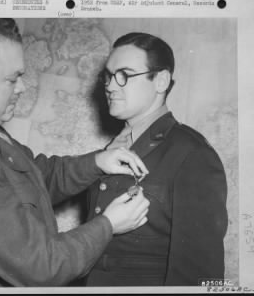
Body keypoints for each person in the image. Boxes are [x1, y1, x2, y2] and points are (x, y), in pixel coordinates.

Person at [0, 19, 151, 287]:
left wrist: (97, 162)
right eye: (12, 79)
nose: (22, 88)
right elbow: (42, 266)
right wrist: (109, 224)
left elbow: (34, 177)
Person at [84, 32, 228, 286]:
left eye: (124, 75)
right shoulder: (114, 149)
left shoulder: (192, 154)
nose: (110, 85)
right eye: (108, 75)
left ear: (160, 80)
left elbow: (199, 272)